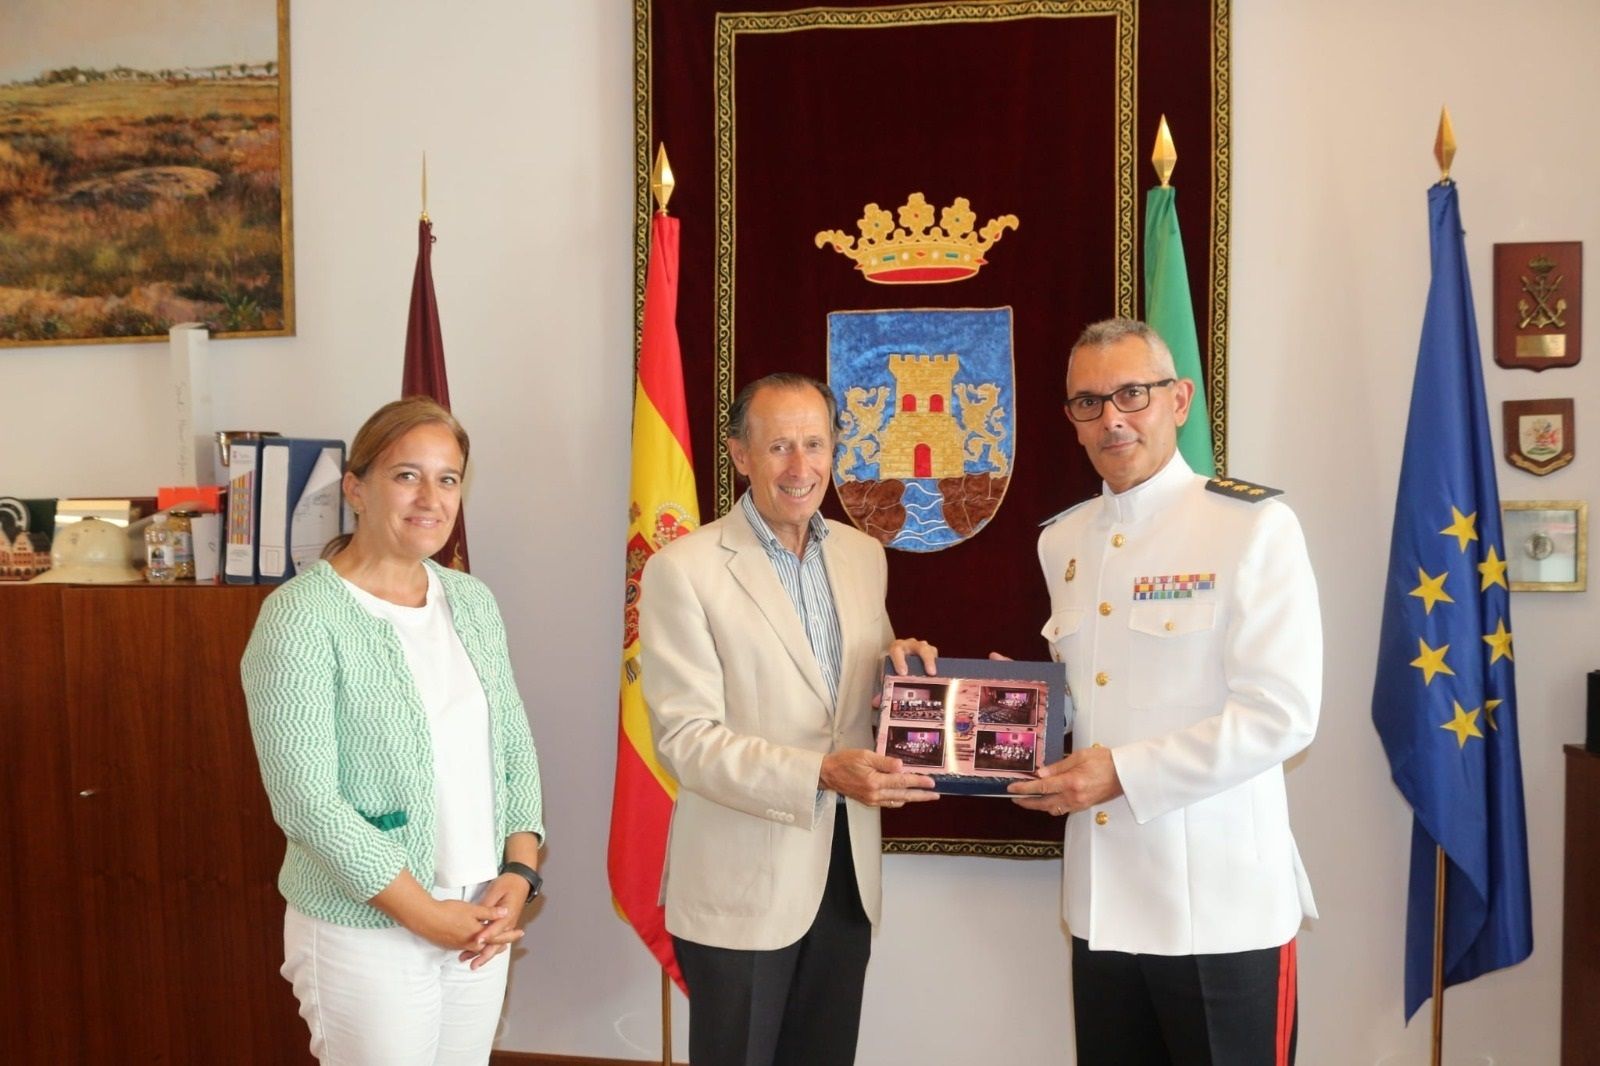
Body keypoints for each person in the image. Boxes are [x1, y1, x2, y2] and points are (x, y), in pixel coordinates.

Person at [1008, 319, 1321, 1065]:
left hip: (1221, 908)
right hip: (1104, 904)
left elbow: (1282, 714)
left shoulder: (1253, 528)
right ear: (1072, 421)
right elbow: (1096, 698)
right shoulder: (1064, 539)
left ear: (1179, 400)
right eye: (1089, 402)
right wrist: (1020, 709)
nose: (1113, 417)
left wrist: (1120, 771)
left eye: (1133, 394)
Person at [640, 372, 939, 1066]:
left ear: (836, 450)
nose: (800, 468)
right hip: (741, 885)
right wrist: (819, 773)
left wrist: (902, 669)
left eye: (815, 444)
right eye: (779, 447)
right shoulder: (683, 570)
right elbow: (686, 740)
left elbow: (852, 697)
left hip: (846, 877)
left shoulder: (864, 556)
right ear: (741, 455)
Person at [242, 397, 544, 1065]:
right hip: (365, 928)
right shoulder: (300, 617)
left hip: (479, 912)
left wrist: (519, 873)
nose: (429, 498)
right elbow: (308, 804)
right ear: (356, 488)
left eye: (448, 478)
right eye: (407, 475)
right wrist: (422, 913)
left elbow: (512, 748)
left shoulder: (470, 599)